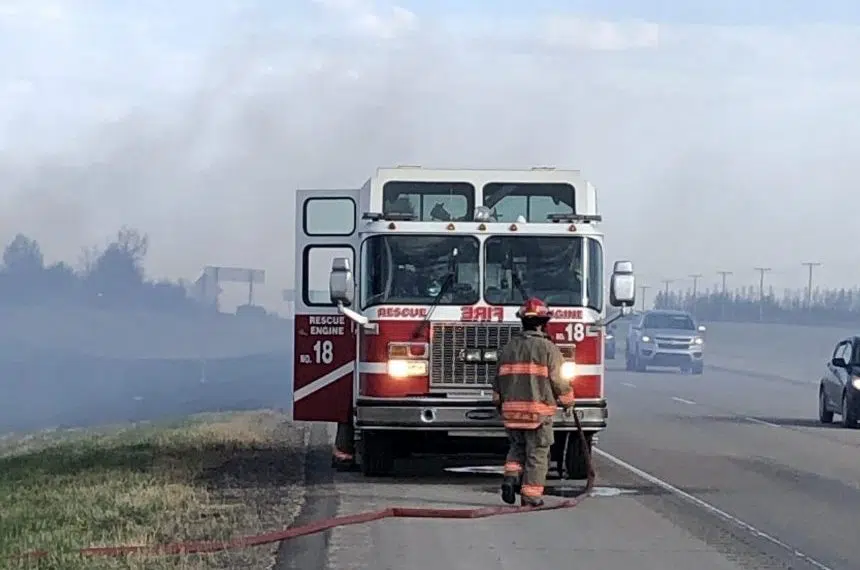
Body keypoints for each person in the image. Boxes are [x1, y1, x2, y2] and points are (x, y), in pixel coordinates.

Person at [491, 297, 576, 507]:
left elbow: (497, 381)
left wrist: (499, 403)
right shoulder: (548, 349)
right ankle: (530, 496)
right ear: (542, 322)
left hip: (511, 412)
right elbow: (558, 380)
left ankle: (510, 478)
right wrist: (568, 401)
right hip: (538, 414)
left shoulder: (509, 348)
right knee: (538, 454)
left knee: (516, 449)